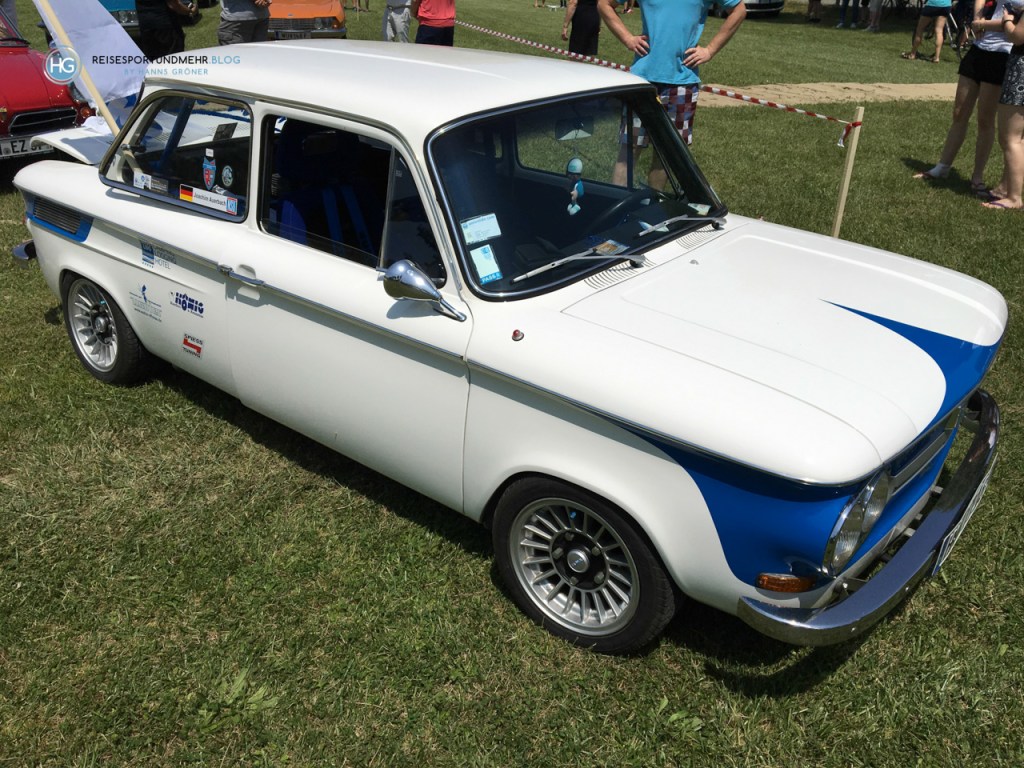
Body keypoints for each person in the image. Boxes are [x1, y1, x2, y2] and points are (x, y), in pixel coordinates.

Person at [598, 0, 746, 147]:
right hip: (643, 80)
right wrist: (627, 39)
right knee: (629, 151)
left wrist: (710, 50)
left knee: (669, 155)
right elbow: (604, 4)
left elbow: (739, 10)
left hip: (683, 82)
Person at [914, 0, 1012, 195]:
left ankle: (977, 177)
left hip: (1000, 55)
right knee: (959, 113)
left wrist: (982, 24)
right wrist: (977, 19)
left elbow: (1014, 24)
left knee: (985, 120)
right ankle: (943, 166)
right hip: (977, 50)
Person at [983, 1, 1024, 208]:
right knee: (1019, 138)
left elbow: (1017, 37)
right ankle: (1006, 188)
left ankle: (1014, 197)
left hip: (1021, 72)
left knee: (1011, 138)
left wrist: (1008, 21)